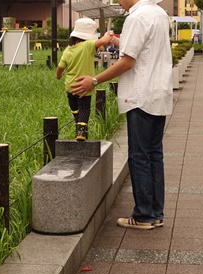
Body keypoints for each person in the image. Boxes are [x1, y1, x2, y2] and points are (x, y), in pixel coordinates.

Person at [70, 0, 173, 230]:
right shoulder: (157, 13)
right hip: (158, 93)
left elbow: (127, 62)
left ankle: (144, 215)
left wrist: (94, 80)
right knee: (154, 154)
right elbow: (143, 49)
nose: (117, 1)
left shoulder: (136, 18)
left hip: (141, 95)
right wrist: (117, 41)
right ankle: (155, 213)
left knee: (139, 155)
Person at [56, 18, 113, 141]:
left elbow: (60, 67)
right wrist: (108, 35)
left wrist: (59, 75)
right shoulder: (88, 45)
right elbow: (104, 41)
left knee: (75, 107)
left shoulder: (67, 50)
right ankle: (81, 131)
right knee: (85, 108)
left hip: (70, 86)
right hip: (84, 86)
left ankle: (77, 122)